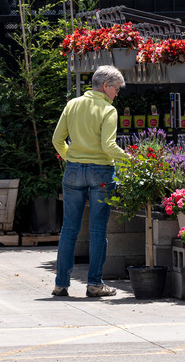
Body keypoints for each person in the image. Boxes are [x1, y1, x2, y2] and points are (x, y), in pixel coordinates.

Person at [51, 65, 129, 297]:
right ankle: (94, 284)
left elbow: (57, 139)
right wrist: (131, 160)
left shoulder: (72, 105)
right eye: (116, 88)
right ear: (105, 86)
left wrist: (72, 158)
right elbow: (108, 146)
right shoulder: (108, 110)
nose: (117, 93)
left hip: (73, 171)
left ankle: (61, 284)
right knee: (97, 230)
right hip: (101, 173)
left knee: (69, 230)